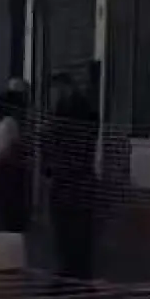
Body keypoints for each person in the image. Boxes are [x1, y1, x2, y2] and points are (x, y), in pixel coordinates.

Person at [45, 72, 98, 281]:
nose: (52, 96)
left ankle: (73, 273)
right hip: (72, 181)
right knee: (73, 232)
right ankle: (74, 273)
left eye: (55, 91)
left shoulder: (71, 114)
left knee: (71, 230)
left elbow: (64, 147)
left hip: (71, 182)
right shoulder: (75, 112)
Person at [0, 89, 30, 233]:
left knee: (7, 205)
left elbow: (11, 147)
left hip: (5, 169)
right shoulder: (3, 123)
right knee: (3, 204)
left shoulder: (9, 123)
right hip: (1, 168)